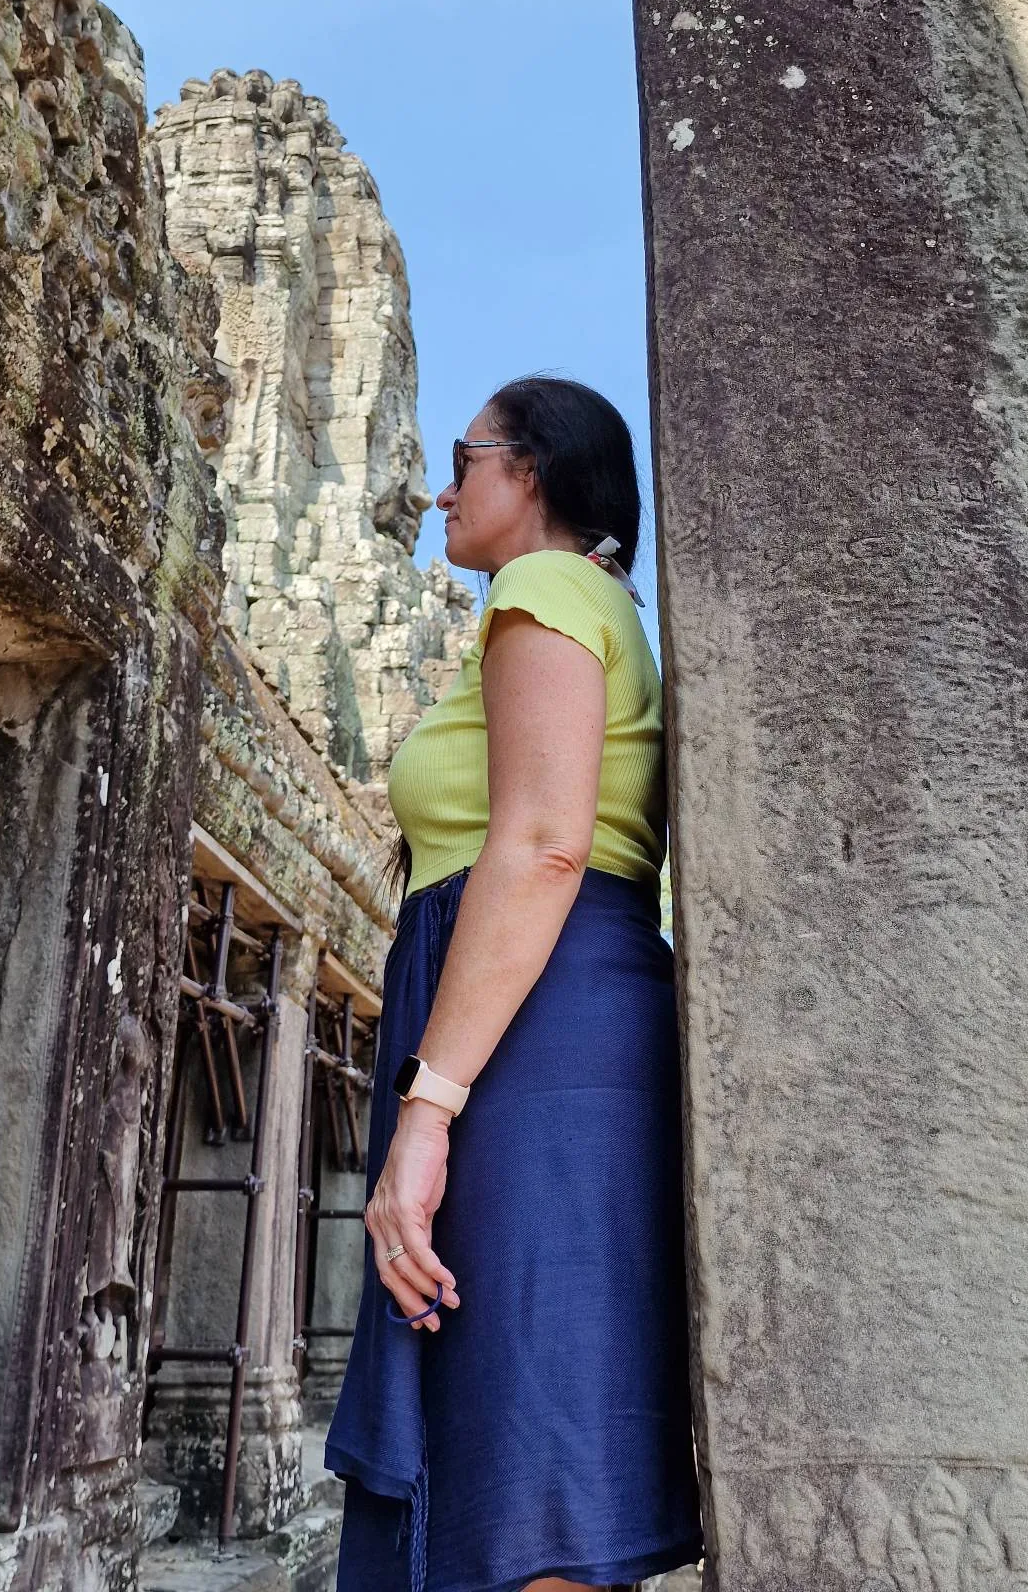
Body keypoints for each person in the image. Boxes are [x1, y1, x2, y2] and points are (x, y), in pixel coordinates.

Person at [325, 376, 704, 1592]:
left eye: (466, 456)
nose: (445, 485)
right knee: (528, 1436)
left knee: (529, 1459)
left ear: (531, 472)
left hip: (523, 1040)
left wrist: (430, 1106)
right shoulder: (587, 603)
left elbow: (542, 842)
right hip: (531, 1021)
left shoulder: (544, 588)